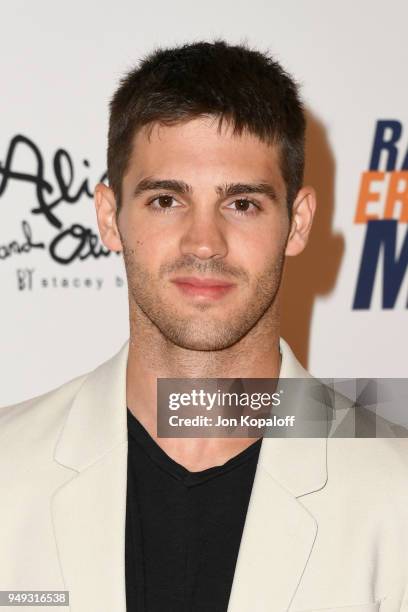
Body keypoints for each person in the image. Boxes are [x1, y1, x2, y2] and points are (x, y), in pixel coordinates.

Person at [1, 40, 408, 612]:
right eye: (166, 200)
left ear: (298, 224)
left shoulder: (397, 495)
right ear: (108, 217)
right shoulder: (7, 471)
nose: (204, 244)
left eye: (242, 204)